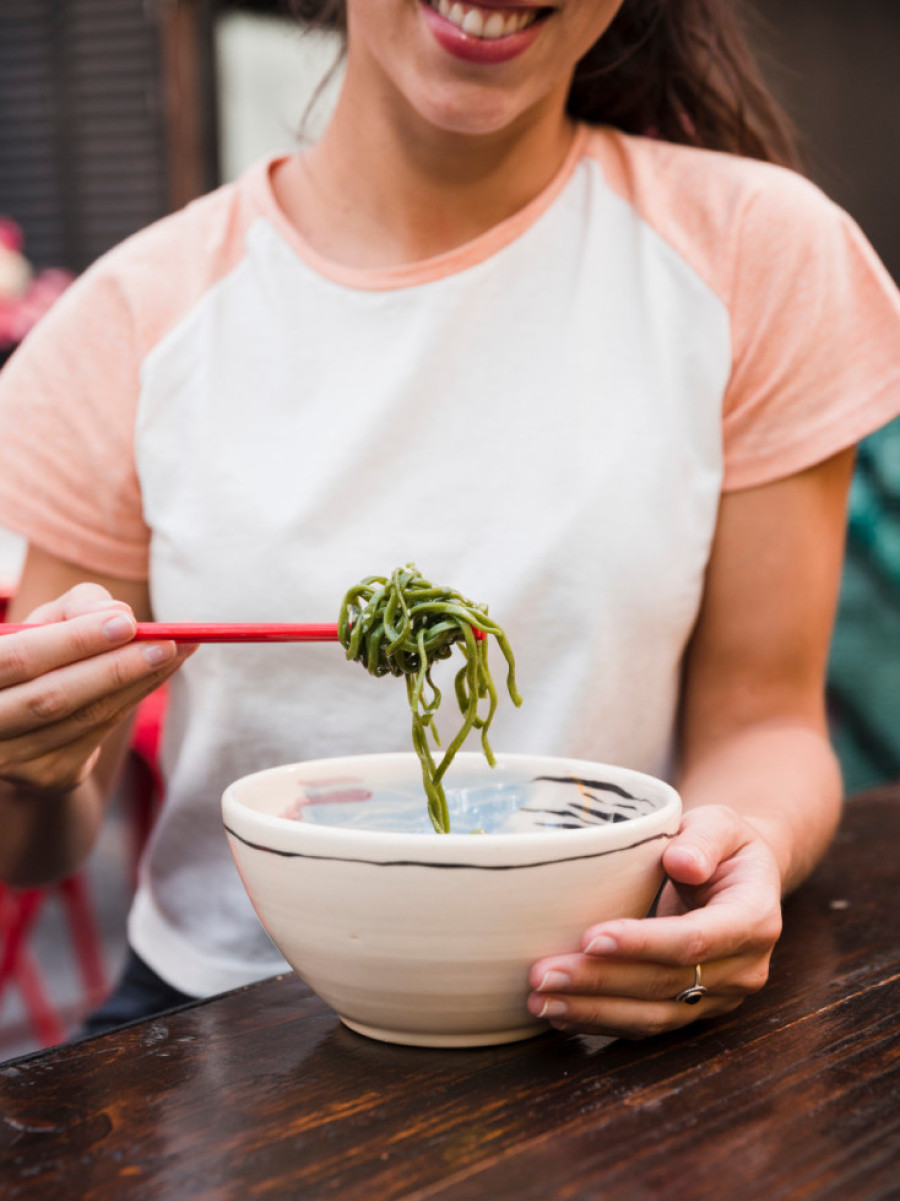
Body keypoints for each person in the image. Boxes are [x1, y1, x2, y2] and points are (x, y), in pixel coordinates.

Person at [1, 0, 899, 1041]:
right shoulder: (130, 319)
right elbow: (44, 838)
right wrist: (26, 769)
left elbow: (764, 722)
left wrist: (746, 851)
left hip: (606, 989)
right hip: (220, 1015)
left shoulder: (756, 252)